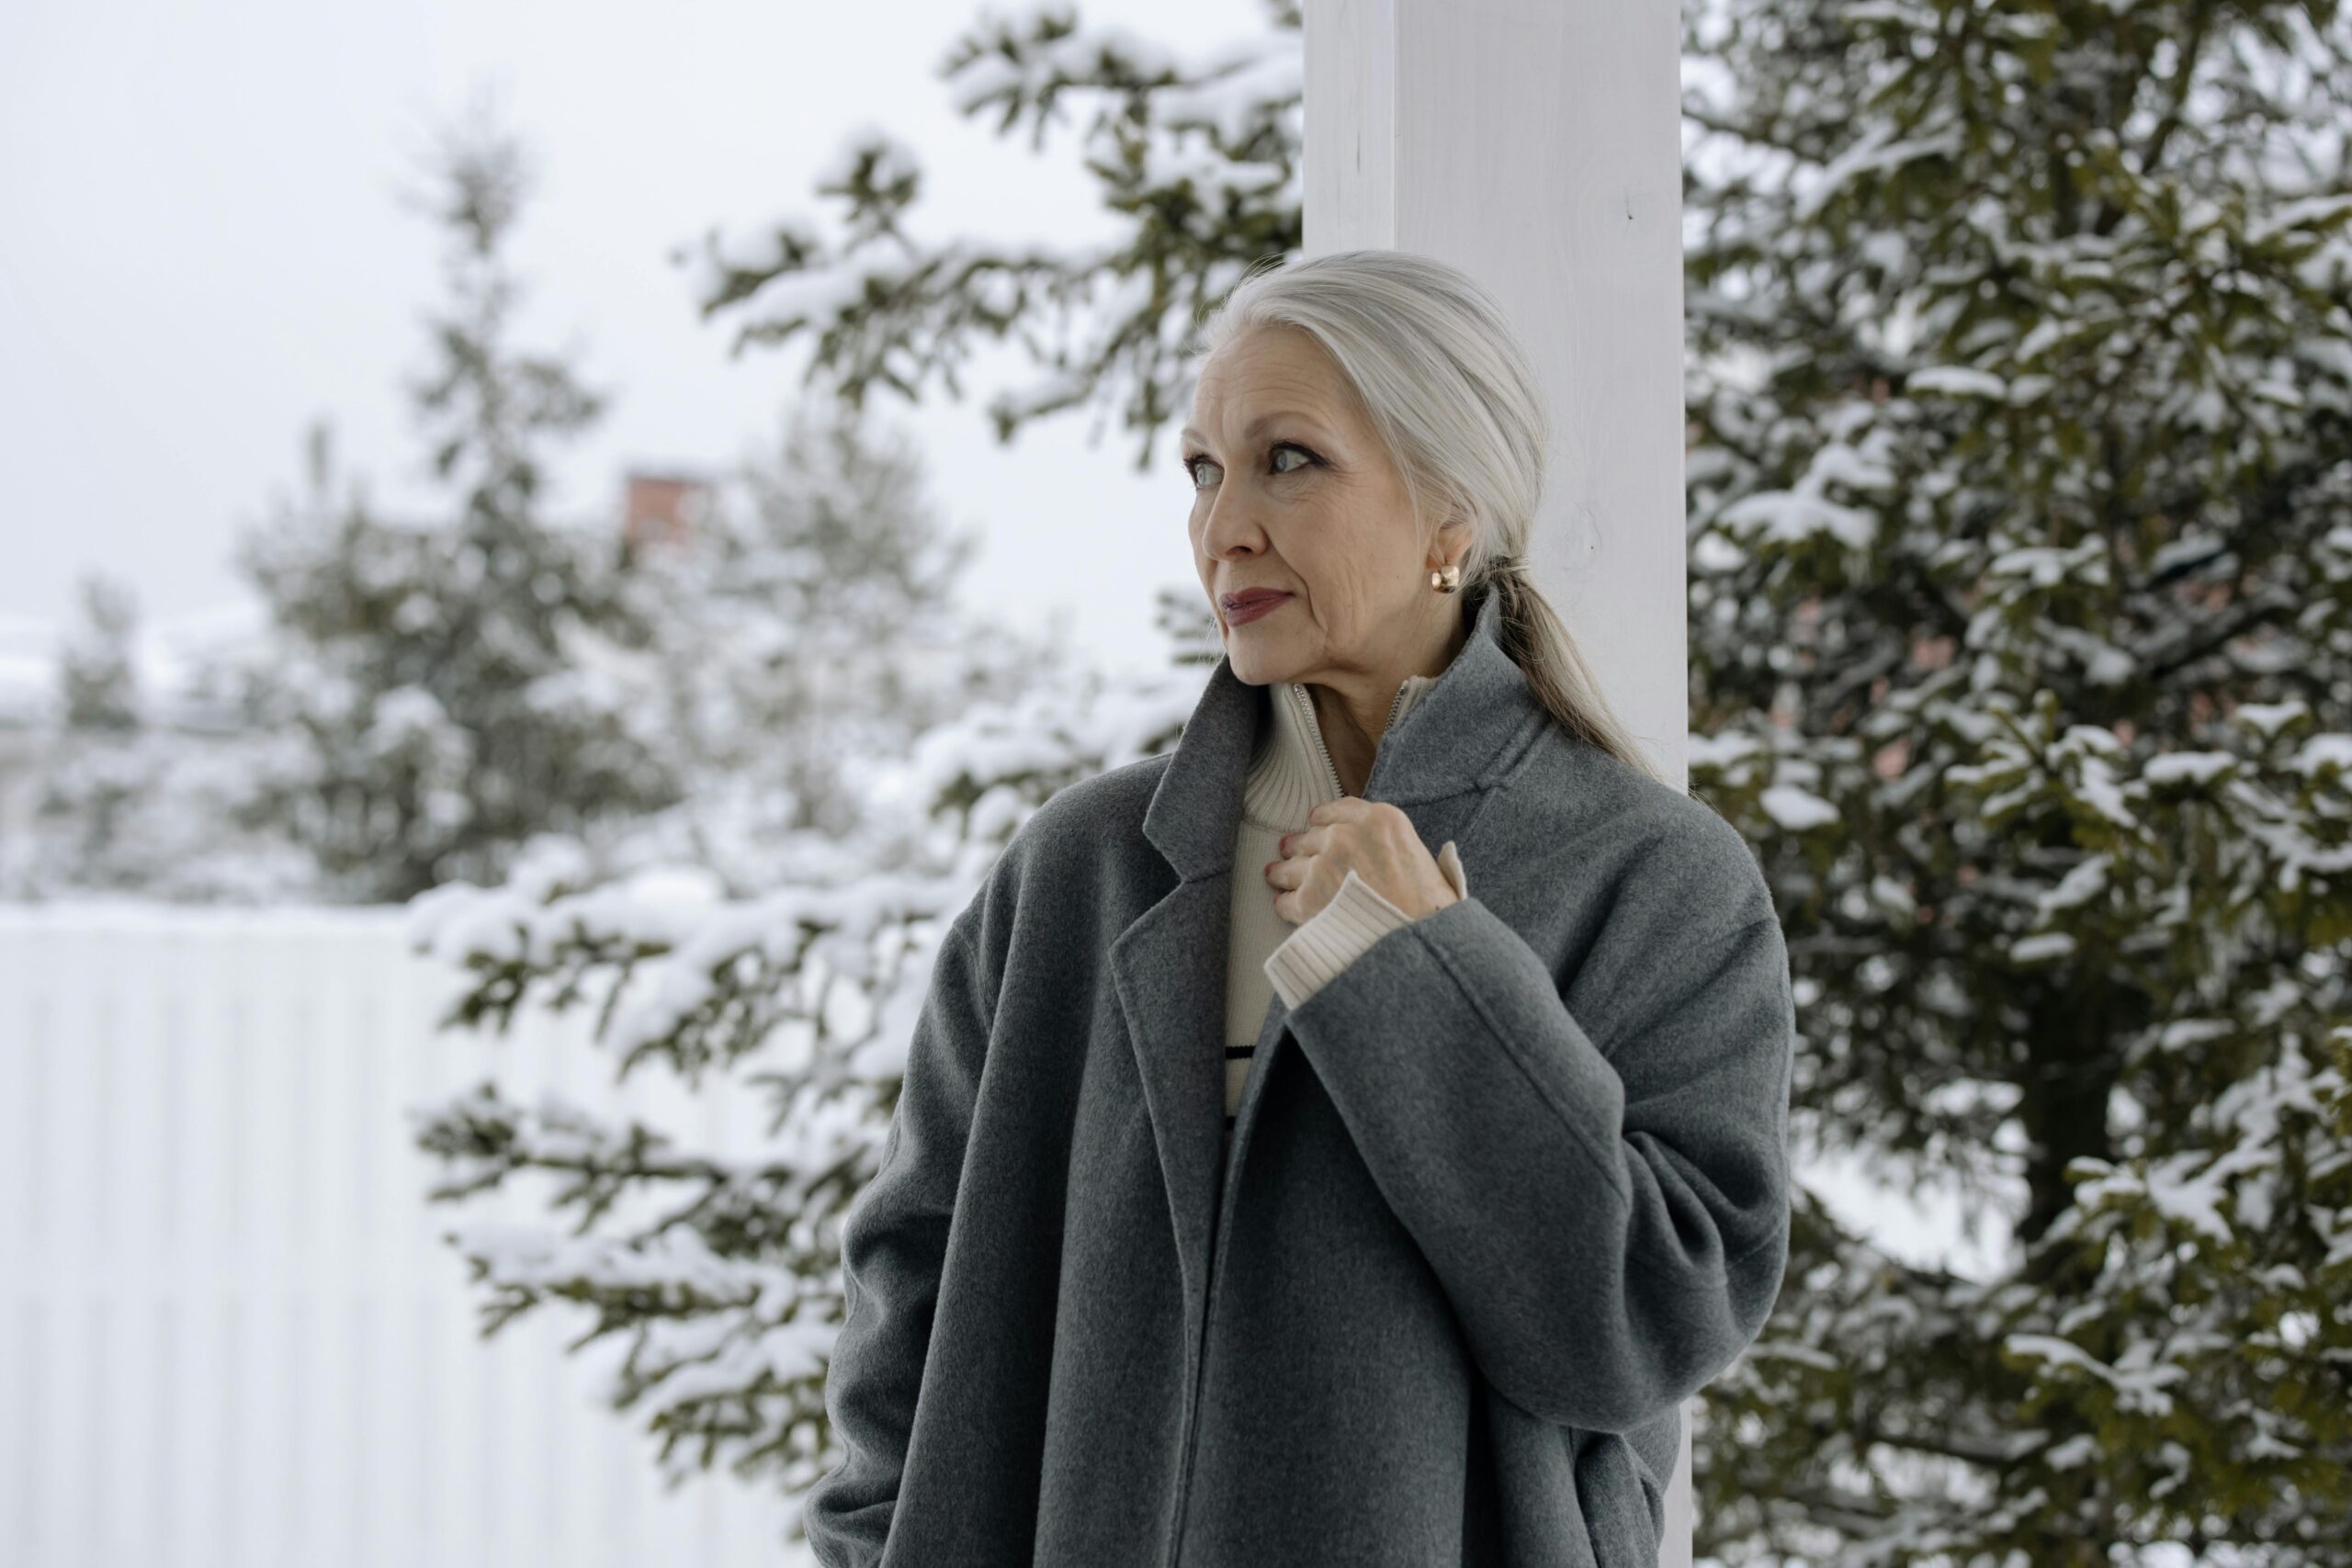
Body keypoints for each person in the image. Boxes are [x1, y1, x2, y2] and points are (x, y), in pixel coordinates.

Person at [801, 248, 1798, 1567]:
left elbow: (1645, 1319)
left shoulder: (1652, 879)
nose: (1224, 529)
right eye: (1204, 470)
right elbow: (910, 1305)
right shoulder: (1080, 874)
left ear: (1452, 511)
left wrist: (1422, 973)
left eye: (1289, 461)